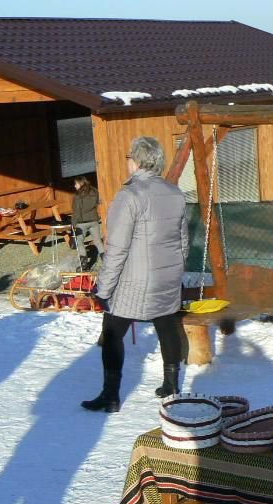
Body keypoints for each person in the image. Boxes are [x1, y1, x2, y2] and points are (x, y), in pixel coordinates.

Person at [81, 136, 189, 413]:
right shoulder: (175, 193)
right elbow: (183, 242)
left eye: (128, 157)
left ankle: (110, 396)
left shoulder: (129, 195)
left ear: (138, 161)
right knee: (167, 325)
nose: (127, 162)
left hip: (135, 282)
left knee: (111, 332)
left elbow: (116, 248)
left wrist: (104, 289)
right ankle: (171, 385)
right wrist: (174, 270)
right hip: (167, 277)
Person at [71, 175, 104, 270]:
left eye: (76, 184)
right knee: (98, 241)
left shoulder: (78, 195)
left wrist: (73, 224)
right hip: (94, 220)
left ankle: (84, 265)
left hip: (82, 222)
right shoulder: (94, 191)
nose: (75, 186)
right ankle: (106, 262)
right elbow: (98, 202)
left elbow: (76, 211)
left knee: (79, 242)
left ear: (80, 183)